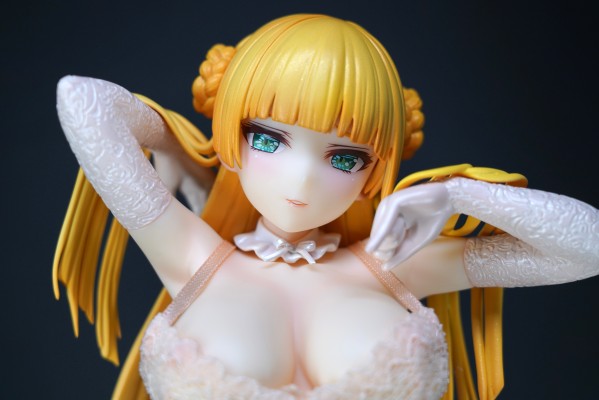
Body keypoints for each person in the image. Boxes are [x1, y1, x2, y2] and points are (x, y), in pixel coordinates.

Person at [54, 14, 599, 400]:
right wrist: (182, 149)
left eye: (344, 158)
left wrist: (457, 195)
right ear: (232, 135)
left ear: (373, 174)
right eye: (267, 139)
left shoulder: (395, 265)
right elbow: (82, 100)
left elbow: (585, 249)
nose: (302, 179)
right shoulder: (192, 258)